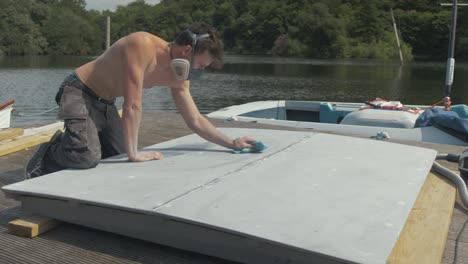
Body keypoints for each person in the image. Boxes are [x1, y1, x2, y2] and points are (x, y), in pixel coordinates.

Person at [25, 22, 257, 179]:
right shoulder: (142, 45)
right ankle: (47, 153)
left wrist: (231, 143)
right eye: (201, 66)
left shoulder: (179, 75)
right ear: (187, 51)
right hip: (78, 91)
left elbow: (194, 119)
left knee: (116, 155)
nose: (199, 72)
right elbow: (132, 105)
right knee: (87, 157)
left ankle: (76, 140)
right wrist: (134, 154)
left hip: (105, 103)